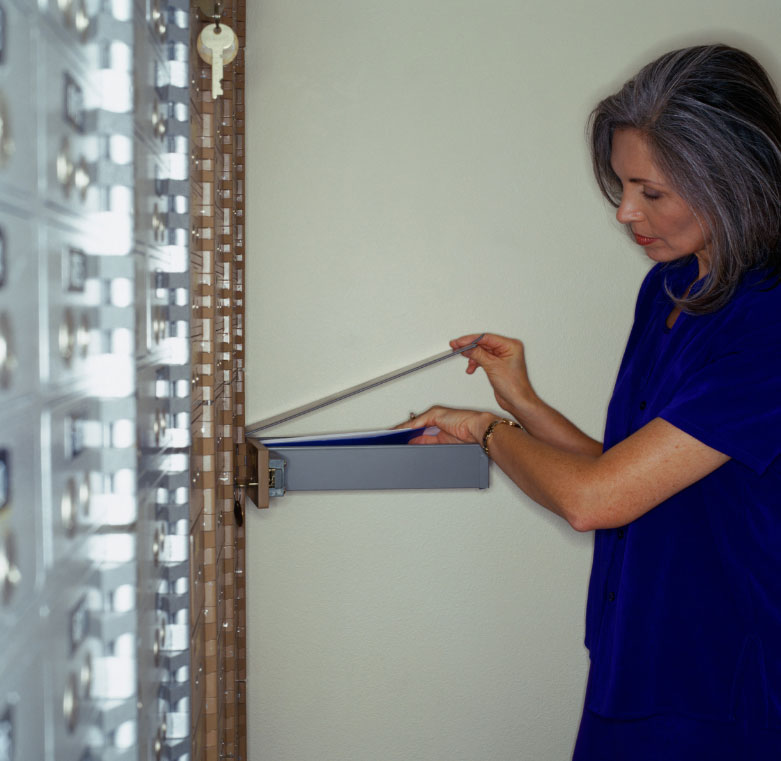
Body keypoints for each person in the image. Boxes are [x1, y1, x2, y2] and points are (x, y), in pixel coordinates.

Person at [404, 44, 781, 759]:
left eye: (651, 192)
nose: (625, 213)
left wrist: (489, 431)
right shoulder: (670, 289)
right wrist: (521, 401)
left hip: (728, 677)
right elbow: (626, 472)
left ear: (732, 180)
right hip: (638, 653)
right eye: (620, 185)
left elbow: (594, 500)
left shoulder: (768, 321)